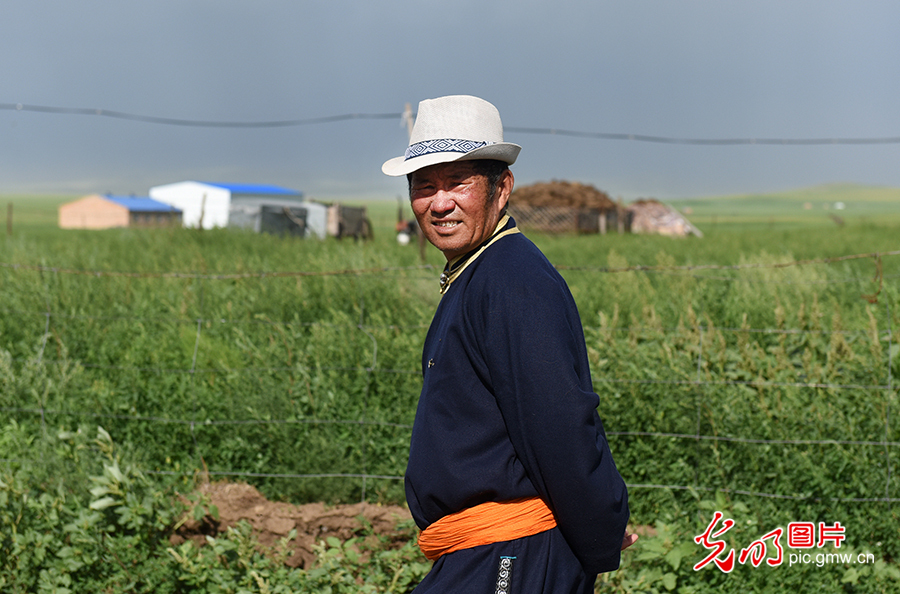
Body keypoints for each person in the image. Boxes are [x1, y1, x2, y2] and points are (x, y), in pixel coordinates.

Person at [382, 95, 635, 593]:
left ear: (502, 189)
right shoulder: (478, 273)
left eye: (458, 182)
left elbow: (559, 423)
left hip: (511, 553)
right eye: (425, 185)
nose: (439, 203)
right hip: (486, 551)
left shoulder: (513, 281)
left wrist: (600, 527)